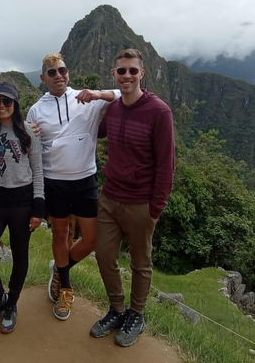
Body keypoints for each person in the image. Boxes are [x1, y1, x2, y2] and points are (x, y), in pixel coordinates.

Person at [90, 48, 175, 347]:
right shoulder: (113, 109)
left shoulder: (159, 111)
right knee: (103, 255)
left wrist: (156, 208)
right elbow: (91, 131)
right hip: (110, 197)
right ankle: (117, 309)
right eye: (121, 71)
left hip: (141, 202)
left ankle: (136, 314)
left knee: (141, 262)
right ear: (113, 74)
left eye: (132, 71)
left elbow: (166, 164)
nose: (127, 76)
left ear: (142, 74)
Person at [26, 53, 118, 321]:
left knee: (91, 238)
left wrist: (98, 94)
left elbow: (122, 95)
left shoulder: (86, 100)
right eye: (52, 72)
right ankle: (65, 286)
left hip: (85, 180)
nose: (59, 76)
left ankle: (59, 269)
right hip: (54, 181)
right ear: (43, 78)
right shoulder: (36, 109)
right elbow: (32, 146)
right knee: (59, 234)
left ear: (69, 73)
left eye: (62, 70)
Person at [0, 82, 44, 334]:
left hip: (22, 201)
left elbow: (37, 169)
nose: (2, 106)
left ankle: (12, 303)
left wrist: (38, 208)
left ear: (15, 104)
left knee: (20, 254)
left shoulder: (27, 131)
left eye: (7, 101)